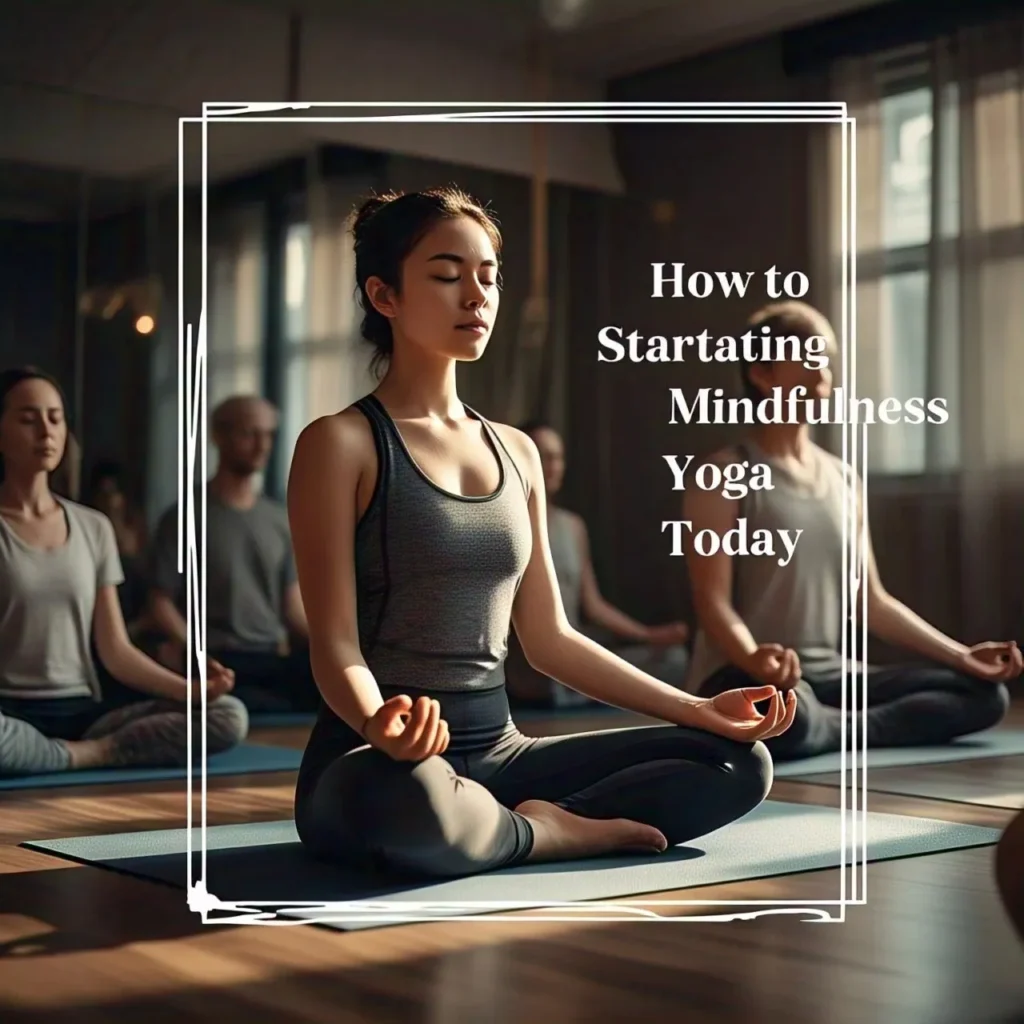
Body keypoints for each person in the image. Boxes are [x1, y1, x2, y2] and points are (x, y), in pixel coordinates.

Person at [286, 186, 797, 881]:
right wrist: (380, 724)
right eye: (446, 275)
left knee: (735, 761)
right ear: (385, 296)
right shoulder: (340, 444)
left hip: (500, 752)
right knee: (406, 801)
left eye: (489, 277)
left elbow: (551, 639)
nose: (476, 296)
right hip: (377, 761)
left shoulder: (518, 452)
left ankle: (504, 828)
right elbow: (335, 644)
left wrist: (698, 707)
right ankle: (544, 834)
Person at [684, 300, 1020, 761]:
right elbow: (712, 603)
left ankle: (834, 730)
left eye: (826, 357)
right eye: (808, 355)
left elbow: (872, 602)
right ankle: (822, 725)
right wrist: (753, 657)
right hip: (746, 675)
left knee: (983, 695)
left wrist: (962, 656)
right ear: (761, 374)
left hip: (832, 679)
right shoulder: (722, 474)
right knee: (785, 711)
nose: (823, 369)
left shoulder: (844, 479)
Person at [0, 367, 248, 777]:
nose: (45, 431)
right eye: (28, 419)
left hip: (84, 716)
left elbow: (115, 649)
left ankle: (80, 753)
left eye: (55, 418)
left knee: (228, 715)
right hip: (8, 716)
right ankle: (75, 756)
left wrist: (191, 692)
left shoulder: (93, 526)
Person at [148, 395, 319, 713]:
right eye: (248, 433)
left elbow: (292, 606)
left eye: (268, 434)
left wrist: (337, 649)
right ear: (219, 437)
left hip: (270, 658)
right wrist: (193, 651)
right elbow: (160, 601)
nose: (261, 445)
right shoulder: (185, 516)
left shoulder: (279, 520)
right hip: (215, 659)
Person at [507, 420, 690, 706]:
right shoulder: (507, 525)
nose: (553, 465)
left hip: (575, 650)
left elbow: (593, 605)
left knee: (674, 659)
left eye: (558, 456)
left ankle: (587, 688)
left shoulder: (573, 526)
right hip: (532, 666)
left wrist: (649, 635)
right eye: (543, 456)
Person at [86, 459, 151, 636]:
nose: (110, 499)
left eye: (113, 492)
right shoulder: (88, 531)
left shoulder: (137, 529)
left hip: (135, 624)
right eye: (103, 493)